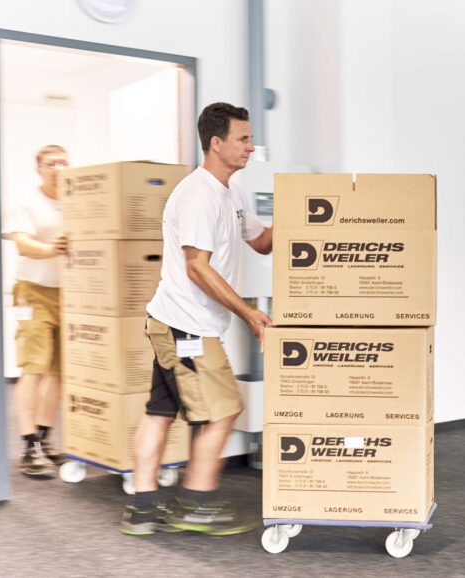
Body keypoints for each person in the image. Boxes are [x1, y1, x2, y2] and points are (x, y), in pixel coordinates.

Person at [120, 102, 273, 536]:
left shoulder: (232, 193)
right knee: (224, 411)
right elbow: (197, 267)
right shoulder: (198, 194)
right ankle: (194, 504)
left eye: (250, 137)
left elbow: (261, 242)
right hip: (186, 326)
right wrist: (248, 314)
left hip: (178, 322)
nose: (251, 146)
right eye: (243, 139)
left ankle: (144, 508)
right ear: (216, 143)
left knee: (160, 411)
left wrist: (311, 214)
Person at [4, 144, 70, 478]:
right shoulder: (25, 202)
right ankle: (29, 445)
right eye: (51, 163)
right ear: (38, 168)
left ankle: (45, 439)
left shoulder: (76, 200)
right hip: (33, 293)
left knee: (59, 371)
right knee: (34, 368)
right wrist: (50, 249)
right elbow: (22, 243)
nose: (58, 168)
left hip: (70, 295)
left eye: (64, 162)